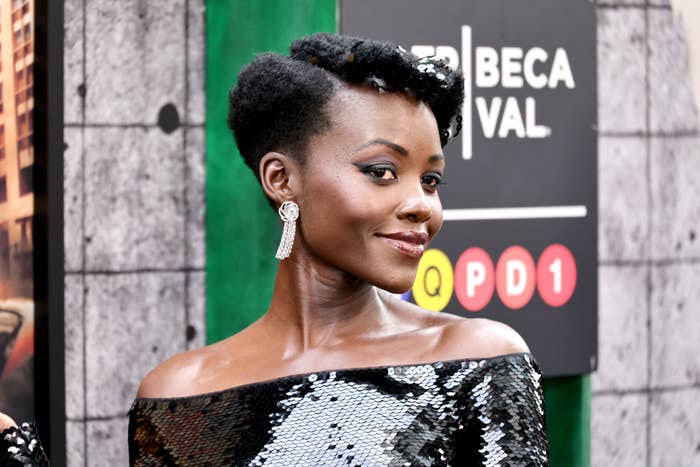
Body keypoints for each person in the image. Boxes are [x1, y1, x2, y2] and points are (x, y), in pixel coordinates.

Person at [129, 32, 548, 466]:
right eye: (382, 172)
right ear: (281, 179)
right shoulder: (177, 396)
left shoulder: (478, 361)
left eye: (431, 180)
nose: (422, 205)